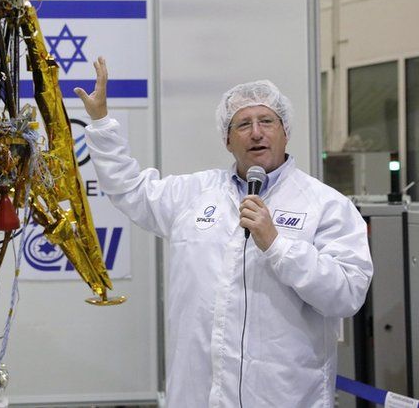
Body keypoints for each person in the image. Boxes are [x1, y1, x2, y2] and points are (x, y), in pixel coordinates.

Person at [74, 56, 373, 407]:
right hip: (199, 395)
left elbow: (347, 294)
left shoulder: (326, 205)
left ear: (285, 132)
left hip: (285, 397)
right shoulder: (195, 194)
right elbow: (129, 190)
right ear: (227, 140)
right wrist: (101, 122)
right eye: (243, 124)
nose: (256, 132)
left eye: (267, 121)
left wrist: (278, 247)